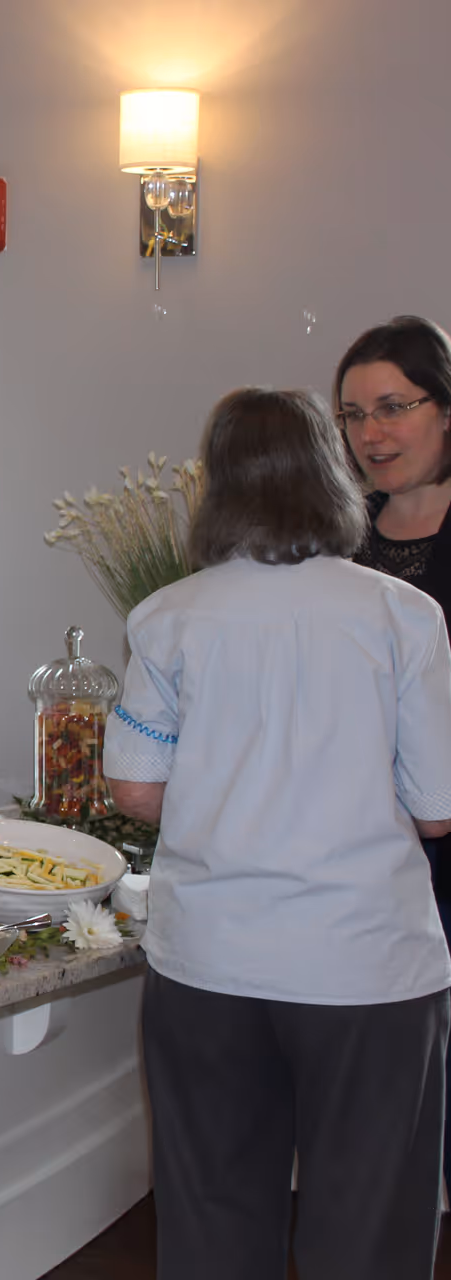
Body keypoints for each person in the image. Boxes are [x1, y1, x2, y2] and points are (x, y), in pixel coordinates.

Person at [103, 387, 451, 1278]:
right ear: (330, 471)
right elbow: (439, 805)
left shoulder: (168, 617)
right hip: (366, 963)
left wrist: (230, 805)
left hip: (211, 960)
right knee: (366, 1229)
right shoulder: (402, 615)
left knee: (214, 1214)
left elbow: (134, 788)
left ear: (218, 487)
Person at [335, 313, 451, 1204]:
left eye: (392, 408)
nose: (370, 434)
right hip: (364, 851)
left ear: (445, 410)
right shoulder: (338, 541)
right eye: (351, 415)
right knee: (388, 1106)